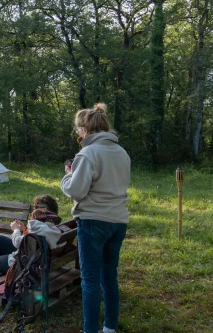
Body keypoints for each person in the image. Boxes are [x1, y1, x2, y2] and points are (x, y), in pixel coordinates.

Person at [61, 103, 130, 333]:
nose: (78, 135)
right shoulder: (122, 152)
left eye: (78, 130)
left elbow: (76, 191)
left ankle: (89, 330)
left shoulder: (88, 153)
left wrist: (67, 177)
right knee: (109, 276)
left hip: (93, 221)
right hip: (118, 221)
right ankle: (109, 327)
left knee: (90, 280)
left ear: (85, 130)